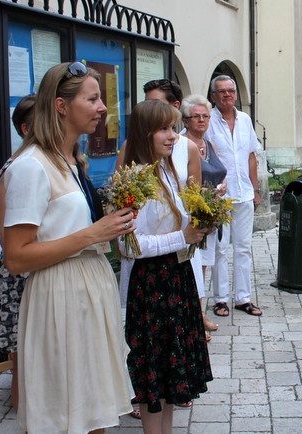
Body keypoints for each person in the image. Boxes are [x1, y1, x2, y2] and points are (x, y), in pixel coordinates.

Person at [2, 61, 135, 433]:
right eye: (92, 99)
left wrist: (110, 226)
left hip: (87, 289)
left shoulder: (71, 162)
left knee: (92, 410)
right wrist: (93, 234)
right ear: (61, 106)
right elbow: (15, 256)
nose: (102, 107)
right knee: (66, 413)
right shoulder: (30, 167)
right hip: (59, 295)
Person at [121, 99, 212, 433]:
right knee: (153, 375)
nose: (173, 136)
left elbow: (176, 226)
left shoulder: (165, 170)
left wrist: (204, 220)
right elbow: (127, 244)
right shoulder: (134, 179)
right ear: (145, 133)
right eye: (164, 129)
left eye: (173, 127)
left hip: (175, 279)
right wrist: (182, 237)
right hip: (152, 285)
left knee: (172, 375)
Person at [205, 75, 262, 317]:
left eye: (231, 90)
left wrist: (255, 189)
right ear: (213, 97)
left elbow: (251, 156)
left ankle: (243, 298)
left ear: (236, 94)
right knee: (219, 248)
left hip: (244, 194)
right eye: (222, 91)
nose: (227, 94)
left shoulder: (245, 119)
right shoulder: (207, 122)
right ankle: (220, 299)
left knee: (243, 248)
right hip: (220, 195)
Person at [0, 94, 35, 410]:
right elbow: (8, 239)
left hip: (31, 271)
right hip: (21, 276)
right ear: (24, 128)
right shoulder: (18, 167)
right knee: (23, 359)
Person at [181, 94, 228, 334]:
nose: (201, 120)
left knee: (205, 266)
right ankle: (192, 318)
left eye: (205, 116)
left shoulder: (209, 144)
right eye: (196, 116)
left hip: (210, 214)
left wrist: (223, 187)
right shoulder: (180, 144)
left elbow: (221, 172)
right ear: (185, 120)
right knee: (191, 268)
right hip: (190, 216)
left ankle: (199, 314)